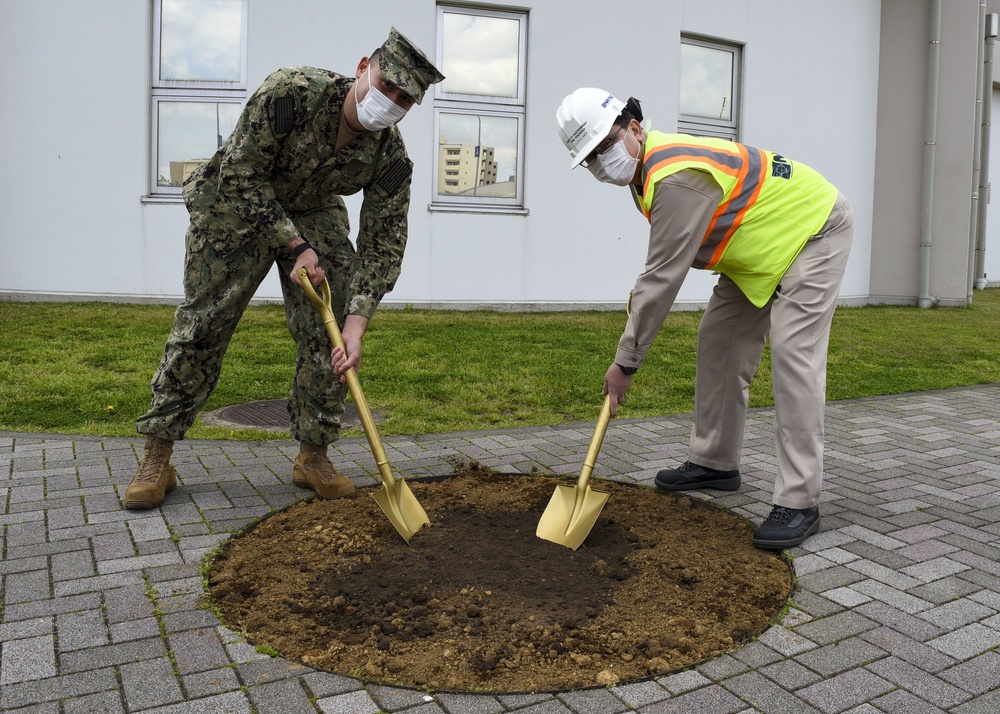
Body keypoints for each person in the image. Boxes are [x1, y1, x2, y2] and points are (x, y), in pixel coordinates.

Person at [125, 29, 444, 510]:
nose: (390, 101)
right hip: (235, 205)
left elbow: (385, 240)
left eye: (404, 98)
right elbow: (240, 170)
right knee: (204, 326)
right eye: (386, 84)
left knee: (329, 336)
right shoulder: (292, 93)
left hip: (313, 212)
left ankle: (313, 456)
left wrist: (356, 321)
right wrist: (295, 246)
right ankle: (157, 457)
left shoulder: (390, 156)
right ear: (363, 67)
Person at [555, 88, 854, 550]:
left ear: (634, 128)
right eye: (590, 158)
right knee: (719, 342)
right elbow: (663, 269)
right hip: (755, 250)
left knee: (795, 358)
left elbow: (661, 281)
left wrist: (626, 363)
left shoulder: (673, 176)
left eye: (605, 146)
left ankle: (799, 500)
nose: (601, 162)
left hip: (813, 230)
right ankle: (715, 462)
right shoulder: (645, 174)